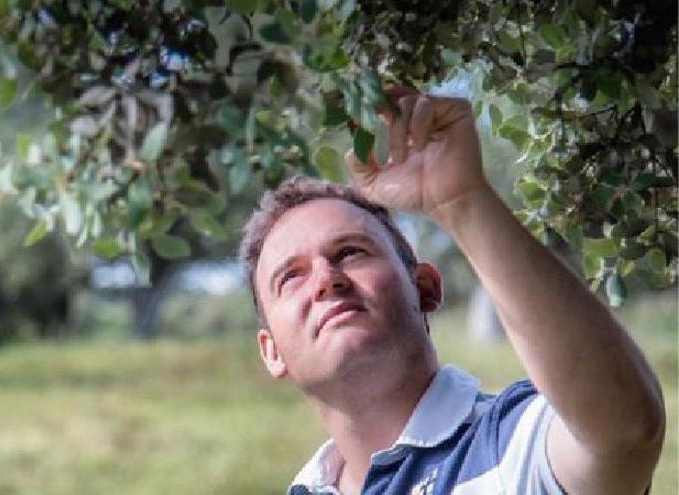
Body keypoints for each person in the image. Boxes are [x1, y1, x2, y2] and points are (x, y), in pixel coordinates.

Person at [238, 88, 665, 495]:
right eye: (290, 277)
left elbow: (625, 433)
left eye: (350, 252)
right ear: (271, 351)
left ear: (424, 287)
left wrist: (463, 201)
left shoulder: (515, 443)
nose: (327, 279)